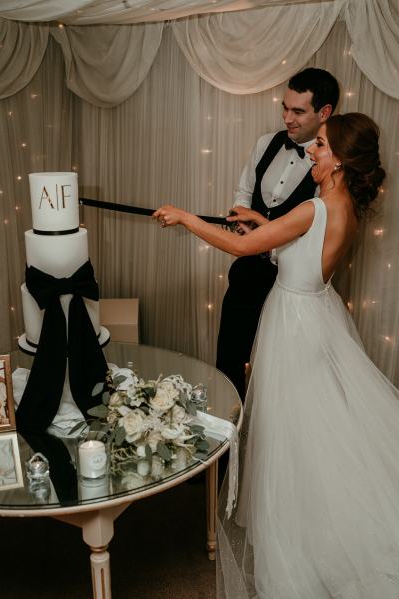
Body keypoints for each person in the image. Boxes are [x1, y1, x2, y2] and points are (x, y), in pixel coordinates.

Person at [153, 113, 399, 598]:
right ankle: (318, 519)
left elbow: (241, 248)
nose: (312, 150)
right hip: (314, 313)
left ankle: (309, 539)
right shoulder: (339, 204)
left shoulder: (314, 206)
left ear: (341, 162)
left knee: (296, 433)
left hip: (297, 326)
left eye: (322, 146)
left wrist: (186, 218)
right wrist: (265, 222)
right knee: (315, 432)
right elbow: (298, 249)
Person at [217, 67, 340, 399]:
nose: (287, 117)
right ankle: (230, 441)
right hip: (247, 275)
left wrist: (261, 235)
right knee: (229, 363)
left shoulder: (329, 165)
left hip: (290, 285)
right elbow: (244, 191)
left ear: (324, 112)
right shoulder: (265, 143)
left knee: (282, 378)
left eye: (298, 111)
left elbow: (314, 235)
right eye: (285, 108)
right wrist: (240, 218)